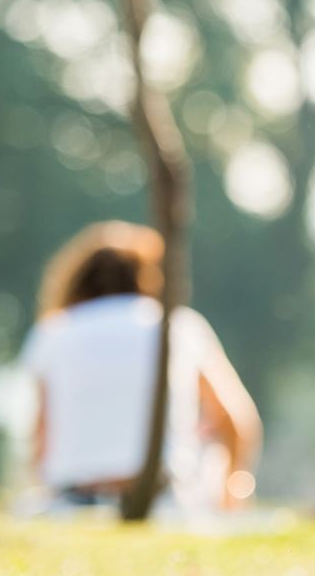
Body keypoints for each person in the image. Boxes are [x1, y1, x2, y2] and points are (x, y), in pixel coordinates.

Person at [21, 221, 260, 515]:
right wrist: (231, 495)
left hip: (73, 502)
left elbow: (43, 438)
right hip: (164, 502)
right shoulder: (179, 326)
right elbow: (236, 421)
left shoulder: (53, 333)